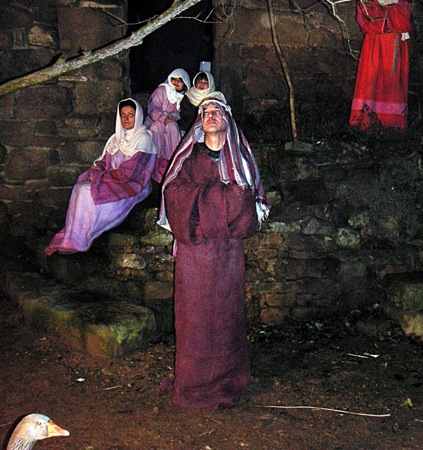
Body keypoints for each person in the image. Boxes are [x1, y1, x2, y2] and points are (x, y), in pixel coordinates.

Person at [157, 92, 269, 409]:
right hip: (194, 255)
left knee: (225, 318)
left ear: (228, 120)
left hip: (228, 257)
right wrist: (219, 202)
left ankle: (227, 380)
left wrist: (201, 206)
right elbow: (174, 195)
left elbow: (246, 206)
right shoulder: (188, 159)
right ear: (199, 121)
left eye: (217, 110)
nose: (210, 114)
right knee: (193, 320)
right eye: (205, 110)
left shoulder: (241, 161)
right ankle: (191, 386)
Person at [45, 99, 157, 256]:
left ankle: (79, 239)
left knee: (86, 191)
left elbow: (132, 172)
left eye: (130, 115)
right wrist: (96, 172)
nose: (126, 119)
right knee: (80, 187)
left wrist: (101, 178)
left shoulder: (143, 139)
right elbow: (103, 162)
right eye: (123, 115)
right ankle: (73, 235)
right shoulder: (116, 138)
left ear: (137, 117)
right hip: (113, 178)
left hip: (133, 184)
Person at [349, 0, 412, 131]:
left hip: (393, 43)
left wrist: (390, 12)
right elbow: (366, 16)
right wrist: (388, 12)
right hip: (374, 43)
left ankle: (392, 123)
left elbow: (403, 19)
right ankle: (366, 122)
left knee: (392, 84)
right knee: (371, 81)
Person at [144, 68, 191, 183]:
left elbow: (177, 113)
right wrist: (162, 118)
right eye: (173, 79)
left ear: (184, 84)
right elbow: (153, 107)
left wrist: (172, 118)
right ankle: (155, 162)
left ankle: (172, 161)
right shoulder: (162, 90)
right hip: (156, 120)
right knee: (156, 128)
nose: (175, 83)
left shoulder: (181, 97)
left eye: (179, 81)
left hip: (169, 122)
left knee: (173, 128)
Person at [179, 70, 217, 135]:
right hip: (187, 129)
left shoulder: (214, 98)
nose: (202, 84)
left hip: (206, 131)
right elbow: (183, 114)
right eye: (200, 81)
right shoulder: (188, 95)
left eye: (206, 83)